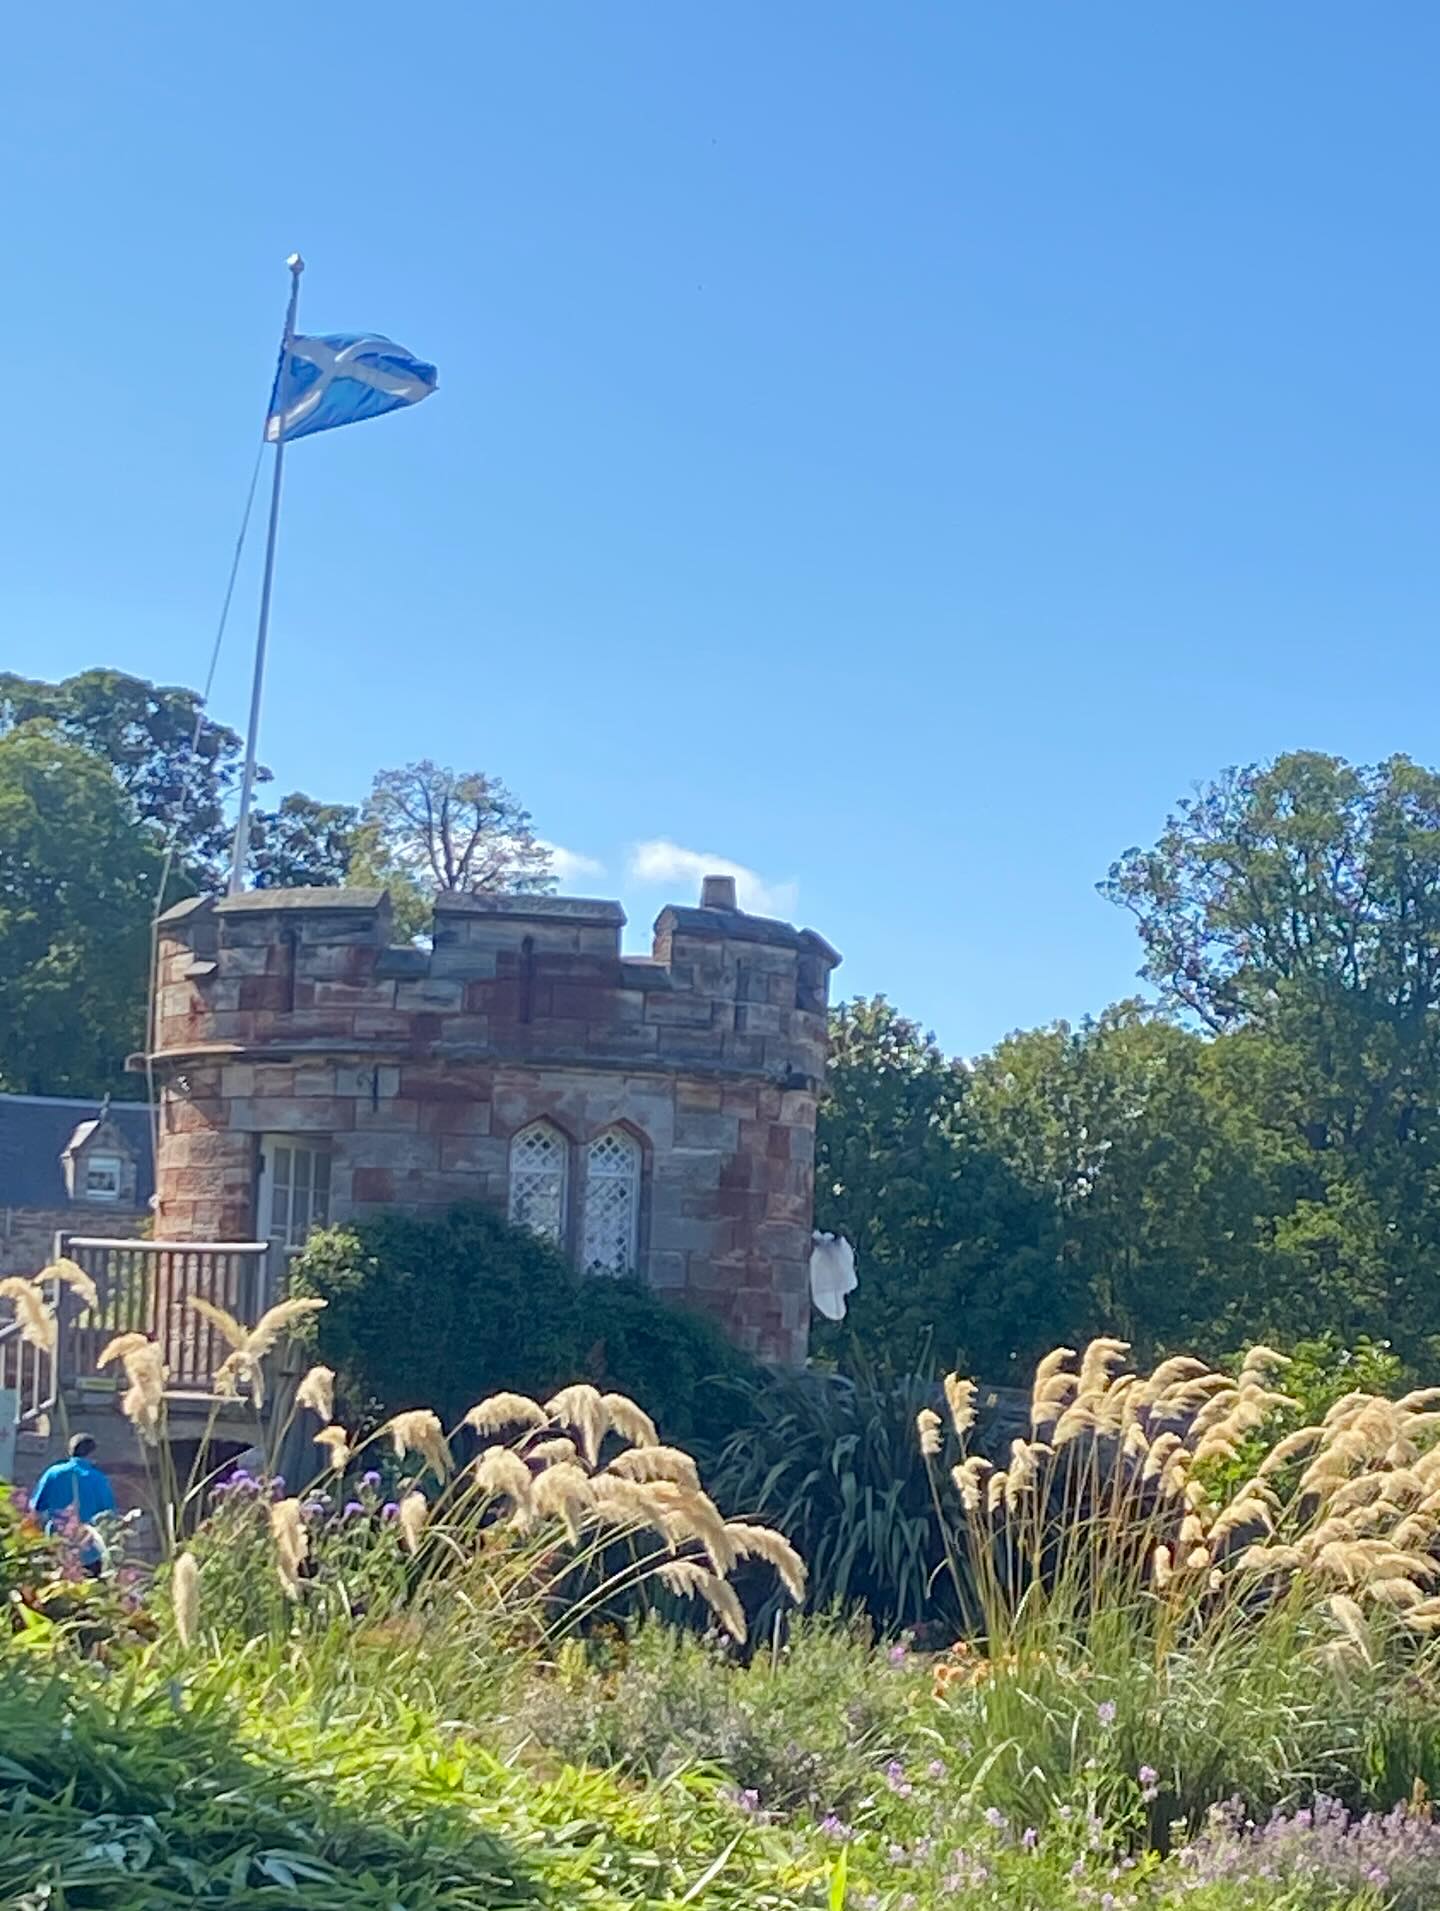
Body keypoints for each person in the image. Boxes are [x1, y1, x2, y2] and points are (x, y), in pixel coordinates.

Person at [30, 1433, 117, 1576]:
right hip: (89, 1550)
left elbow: (36, 1508)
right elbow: (108, 1515)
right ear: (92, 1454)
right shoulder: (98, 1479)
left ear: (70, 1451)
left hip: (56, 1545)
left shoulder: (53, 1473)